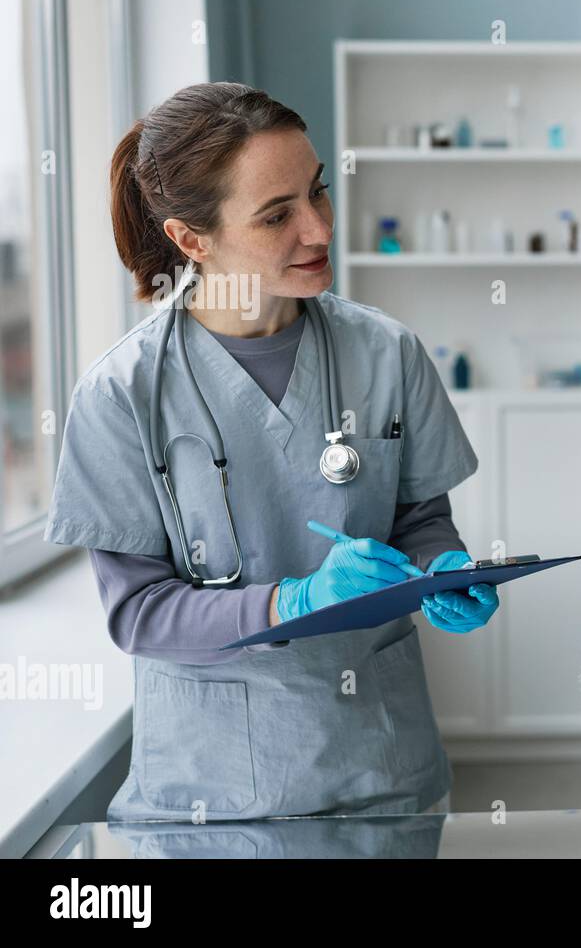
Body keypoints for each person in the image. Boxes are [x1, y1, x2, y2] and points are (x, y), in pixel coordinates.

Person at [44, 82, 497, 821]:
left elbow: (419, 518)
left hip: (382, 772)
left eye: (317, 192)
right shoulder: (121, 396)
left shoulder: (386, 353)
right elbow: (139, 615)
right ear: (192, 239)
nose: (319, 229)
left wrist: (442, 567)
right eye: (277, 215)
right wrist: (296, 601)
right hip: (211, 795)